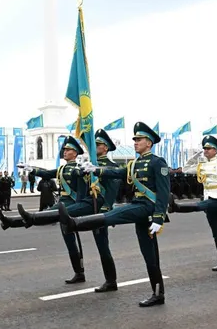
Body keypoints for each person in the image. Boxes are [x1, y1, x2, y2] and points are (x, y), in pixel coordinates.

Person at [59, 122, 169, 307]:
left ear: (149, 143)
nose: (135, 142)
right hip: (140, 211)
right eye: (134, 139)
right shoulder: (134, 164)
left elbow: (164, 193)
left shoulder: (158, 162)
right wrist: (96, 170)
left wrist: (159, 217)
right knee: (149, 255)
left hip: (147, 208)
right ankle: (158, 294)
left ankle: (75, 223)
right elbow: (117, 172)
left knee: (118, 212)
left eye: (139, 139)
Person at [0, 136, 88, 284]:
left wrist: (77, 210)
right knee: (66, 240)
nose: (64, 152)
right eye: (64, 149)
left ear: (75, 153)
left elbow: (81, 192)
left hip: (70, 207)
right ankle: (10, 221)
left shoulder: (78, 170)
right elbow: (46, 174)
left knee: (63, 235)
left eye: (68, 150)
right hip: (61, 205)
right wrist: (32, 168)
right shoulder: (61, 168)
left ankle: (79, 272)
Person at [168, 135, 217, 271]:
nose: (206, 151)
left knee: (200, 206)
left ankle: (177, 207)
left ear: (216, 151)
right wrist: (195, 156)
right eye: (204, 148)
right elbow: (186, 169)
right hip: (209, 198)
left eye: (209, 148)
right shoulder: (202, 166)